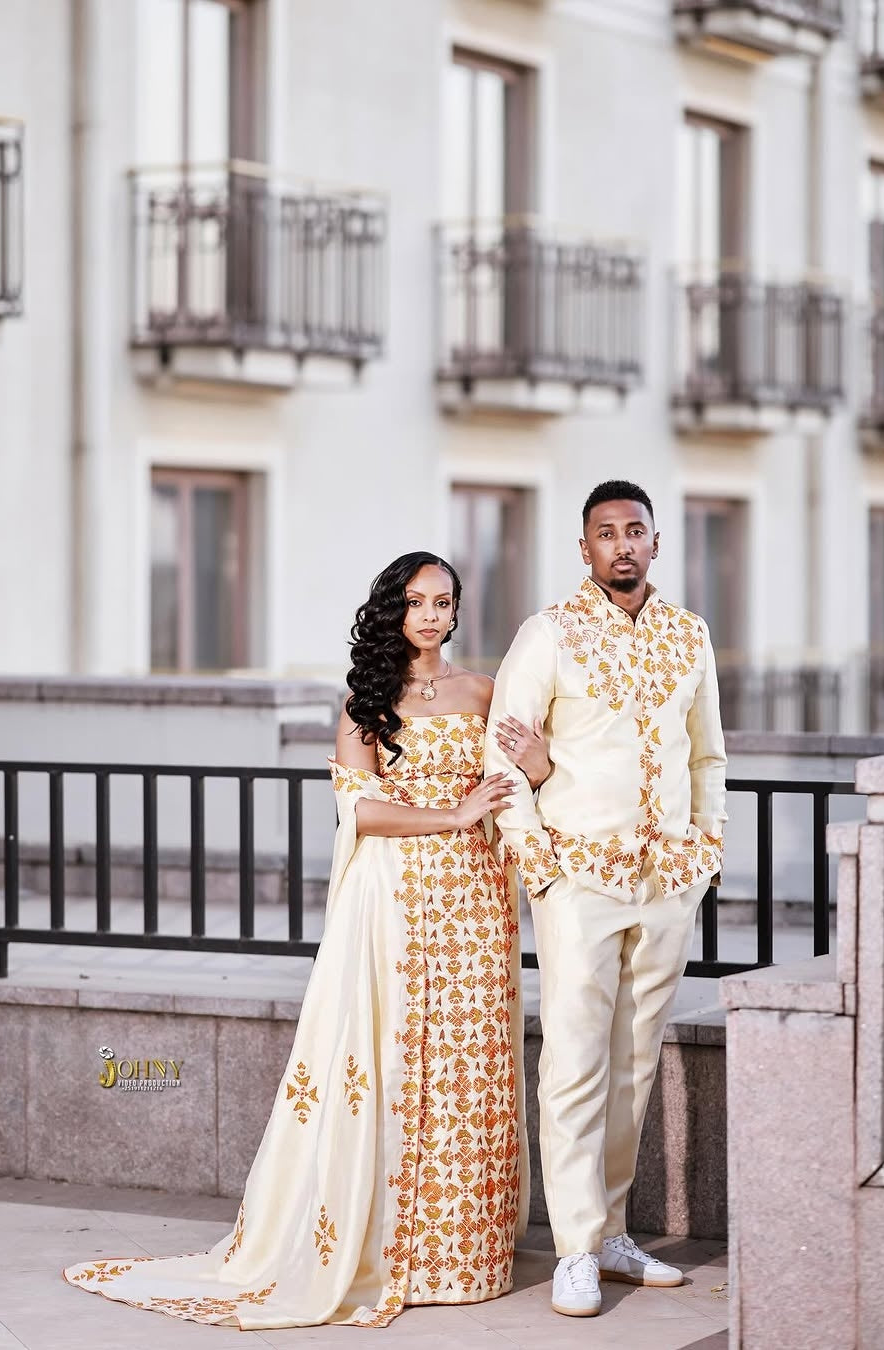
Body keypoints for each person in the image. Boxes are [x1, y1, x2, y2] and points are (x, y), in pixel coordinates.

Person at [63, 551, 550, 1330]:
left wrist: (538, 761)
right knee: (393, 1061)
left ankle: (466, 1254)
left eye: (444, 602)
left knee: (470, 1062)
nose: (431, 615)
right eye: (417, 601)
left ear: (457, 611)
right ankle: (394, 1250)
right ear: (392, 609)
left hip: (478, 903)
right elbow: (358, 813)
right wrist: (454, 816)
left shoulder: (485, 694)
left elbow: (525, 782)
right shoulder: (367, 703)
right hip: (393, 899)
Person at [486, 481, 727, 1318]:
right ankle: (577, 1249)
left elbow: (708, 758)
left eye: (635, 531)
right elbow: (503, 759)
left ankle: (615, 1230)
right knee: (577, 1061)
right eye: (605, 533)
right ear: (583, 549)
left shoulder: (689, 635)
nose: (621, 545)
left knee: (634, 1061)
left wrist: (706, 849)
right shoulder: (548, 635)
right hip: (578, 883)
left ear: (656, 543)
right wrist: (540, 868)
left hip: (668, 882)